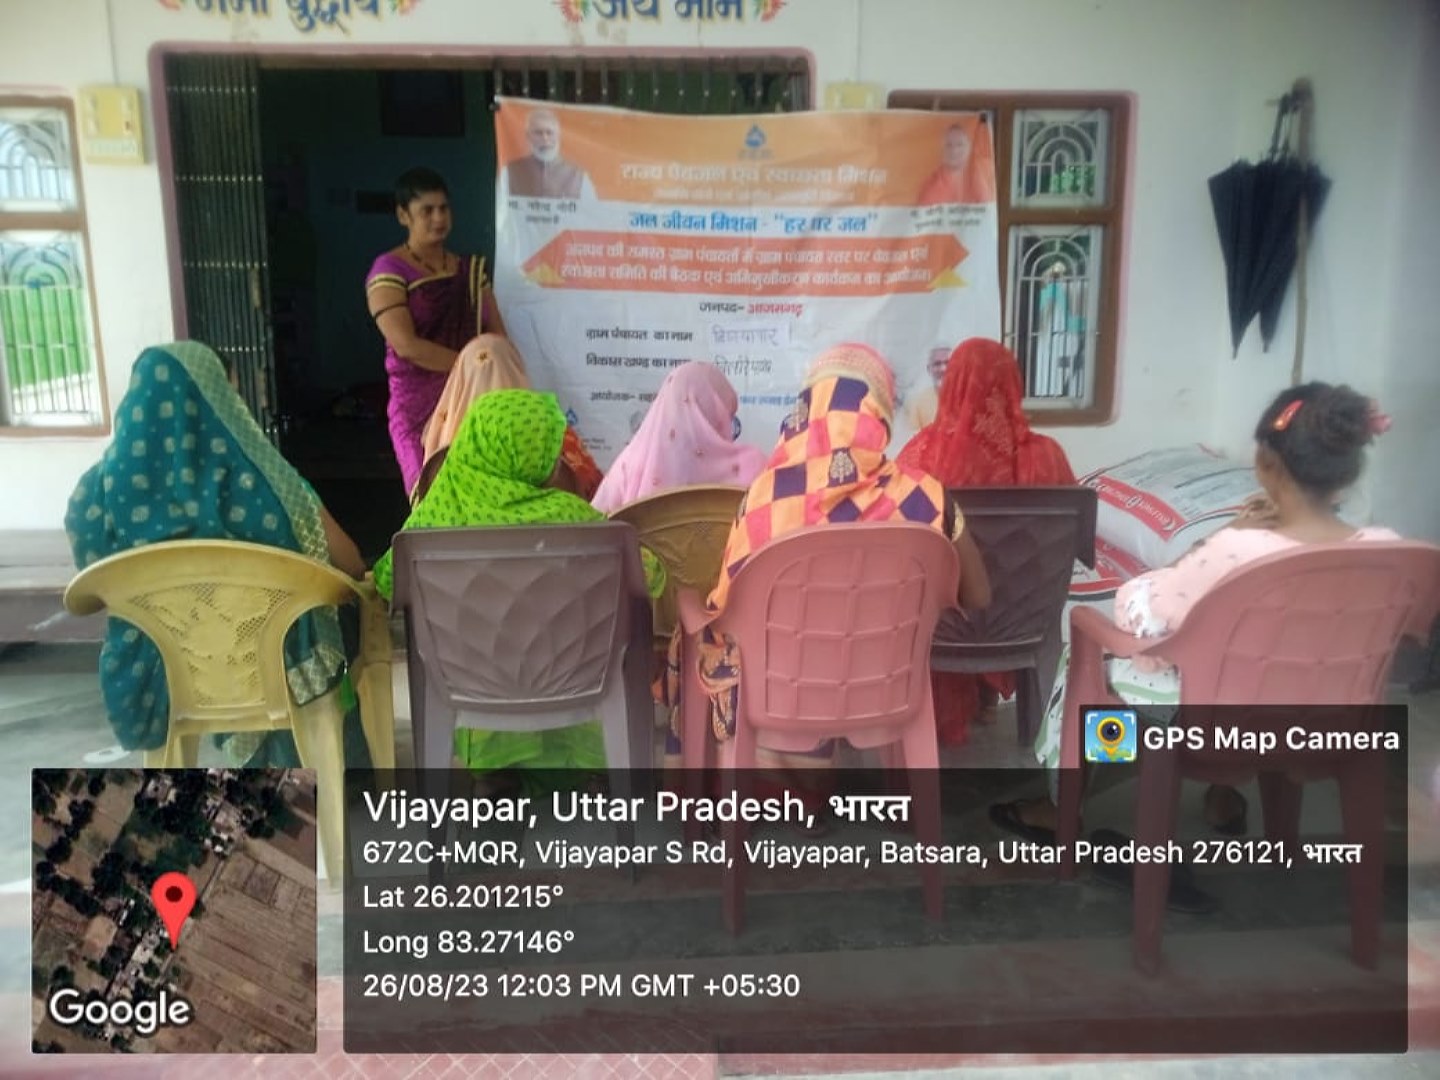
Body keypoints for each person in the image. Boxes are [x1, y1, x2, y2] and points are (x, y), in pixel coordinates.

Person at [991, 381, 1399, 847]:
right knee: (1255, 657)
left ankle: (1064, 807)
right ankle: (1224, 799)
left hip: (1217, 724)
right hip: (1323, 719)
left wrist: (1224, 534)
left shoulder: (1234, 550)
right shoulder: (1387, 556)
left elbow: (1143, 616)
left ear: (1264, 466)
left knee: (1089, 663)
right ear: (1348, 474)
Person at [660, 345, 991, 809]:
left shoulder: (766, 498)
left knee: (698, 626)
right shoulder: (926, 497)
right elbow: (978, 596)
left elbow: (727, 606)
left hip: (778, 693)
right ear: (878, 413)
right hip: (886, 686)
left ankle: (760, 782)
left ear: (805, 413)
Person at [65, 342, 371, 768]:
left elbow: (92, 587)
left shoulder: (94, 496)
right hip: (278, 669)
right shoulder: (272, 487)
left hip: (163, 672)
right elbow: (350, 563)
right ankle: (340, 768)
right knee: (340, 613)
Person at [373, 389, 666, 774]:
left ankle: (496, 774)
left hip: (470, 684)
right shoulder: (574, 518)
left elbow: (388, 581)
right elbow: (651, 576)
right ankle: (584, 767)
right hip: (572, 680)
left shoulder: (437, 515)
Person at [897, 338, 1078, 744]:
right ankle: (991, 699)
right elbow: (1074, 547)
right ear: (1014, 384)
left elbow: (897, 543)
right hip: (1024, 619)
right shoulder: (1048, 456)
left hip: (942, 623)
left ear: (951, 387)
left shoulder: (920, 457)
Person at [366, 167, 506, 495]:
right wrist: (469, 367)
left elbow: (496, 336)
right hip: (417, 409)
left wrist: (487, 374)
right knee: (428, 500)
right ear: (403, 215)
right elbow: (406, 346)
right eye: (426, 211)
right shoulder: (389, 270)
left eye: (444, 208)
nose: (439, 218)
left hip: (470, 404)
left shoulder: (469, 271)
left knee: (476, 498)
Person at [411, 334, 604, 504]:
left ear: (460, 381)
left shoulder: (445, 447)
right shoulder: (553, 434)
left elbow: (427, 513)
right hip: (547, 532)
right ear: (517, 370)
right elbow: (593, 495)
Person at [591, 361, 766, 514]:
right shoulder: (754, 466)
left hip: (643, 544)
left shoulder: (628, 465)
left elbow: (595, 524)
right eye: (728, 416)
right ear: (718, 413)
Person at [503, 108, 595, 201]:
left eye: (549, 132)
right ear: (528, 136)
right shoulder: (510, 171)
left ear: (558, 135)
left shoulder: (578, 175)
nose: (545, 138)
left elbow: (590, 208)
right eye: (538, 133)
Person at [917, 122, 996, 206]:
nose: (954, 151)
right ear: (942, 150)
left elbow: (990, 208)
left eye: (960, 145)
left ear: (969, 148)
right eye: (949, 145)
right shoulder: (931, 186)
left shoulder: (983, 172)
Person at [900, 346, 952, 433]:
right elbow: (913, 437)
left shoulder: (968, 399)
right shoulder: (917, 402)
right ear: (929, 369)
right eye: (937, 364)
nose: (943, 368)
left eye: (948, 363)